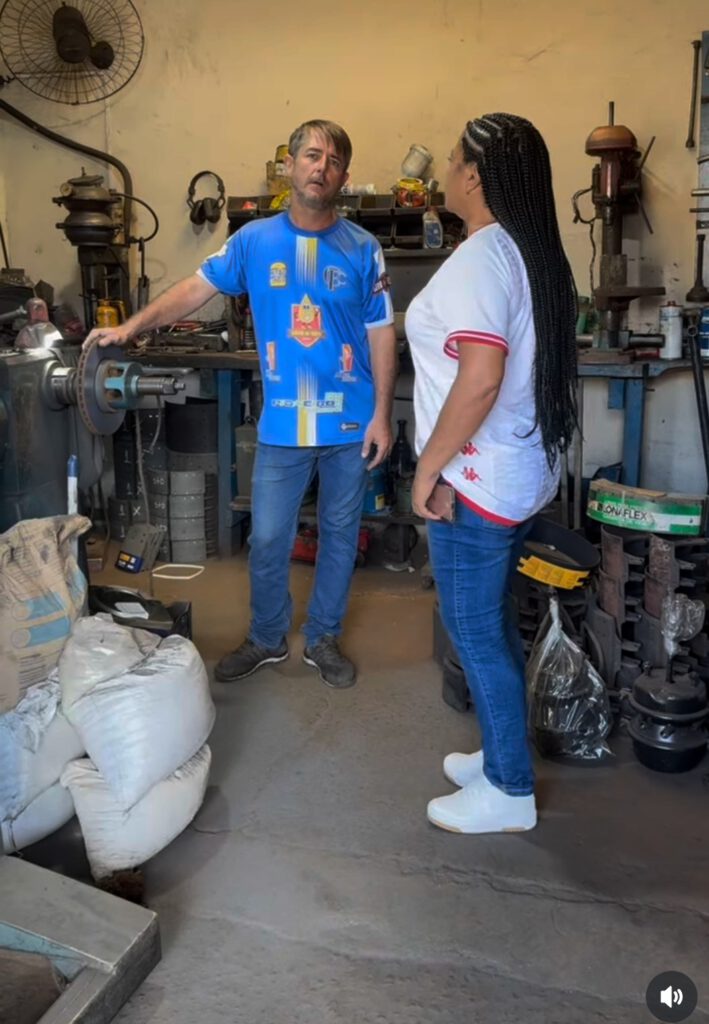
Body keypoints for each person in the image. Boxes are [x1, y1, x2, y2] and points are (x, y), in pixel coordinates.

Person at [85, 119, 397, 689]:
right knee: (269, 537)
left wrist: (381, 414)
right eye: (311, 155)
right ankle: (268, 636)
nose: (321, 167)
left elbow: (381, 333)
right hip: (283, 425)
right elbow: (195, 288)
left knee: (339, 536)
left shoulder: (362, 247)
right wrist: (132, 326)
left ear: (344, 176)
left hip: (350, 424)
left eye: (333, 160)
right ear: (290, 166)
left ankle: (323, 637)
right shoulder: (255, 241)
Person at [406, 113, 578, 834]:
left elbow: (479, 379)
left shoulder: (481, 258)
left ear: (473, 176)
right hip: (517, 470)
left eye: (452, 160)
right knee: (492, 621)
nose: (445, 171)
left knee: (472, 629)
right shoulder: (527, 251)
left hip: (474, 479)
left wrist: (429, 468)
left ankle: (509, 791)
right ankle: (501, 754)